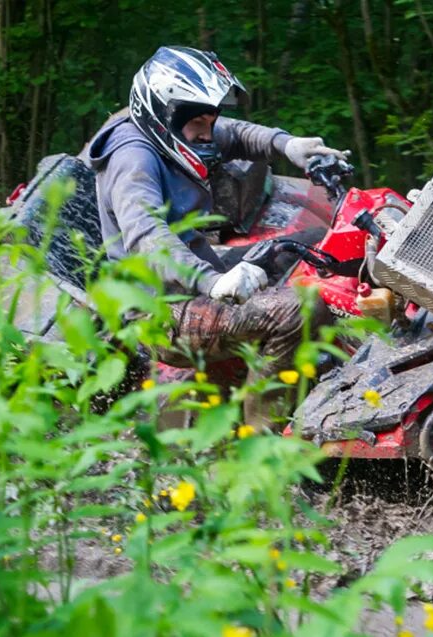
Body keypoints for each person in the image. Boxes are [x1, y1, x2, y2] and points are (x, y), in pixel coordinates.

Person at [84, 45, 342, 428]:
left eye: (209, 123)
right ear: (163, 117)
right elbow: (146, 238)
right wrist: (213, 280)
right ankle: (262, 446)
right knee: (296, 311)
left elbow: (234, 133)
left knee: (316, 245)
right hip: (159, 310)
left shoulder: (171, 128)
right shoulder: (132, 159)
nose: (208, 135)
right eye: (199, 127)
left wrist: (288, 145)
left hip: (193, 276)